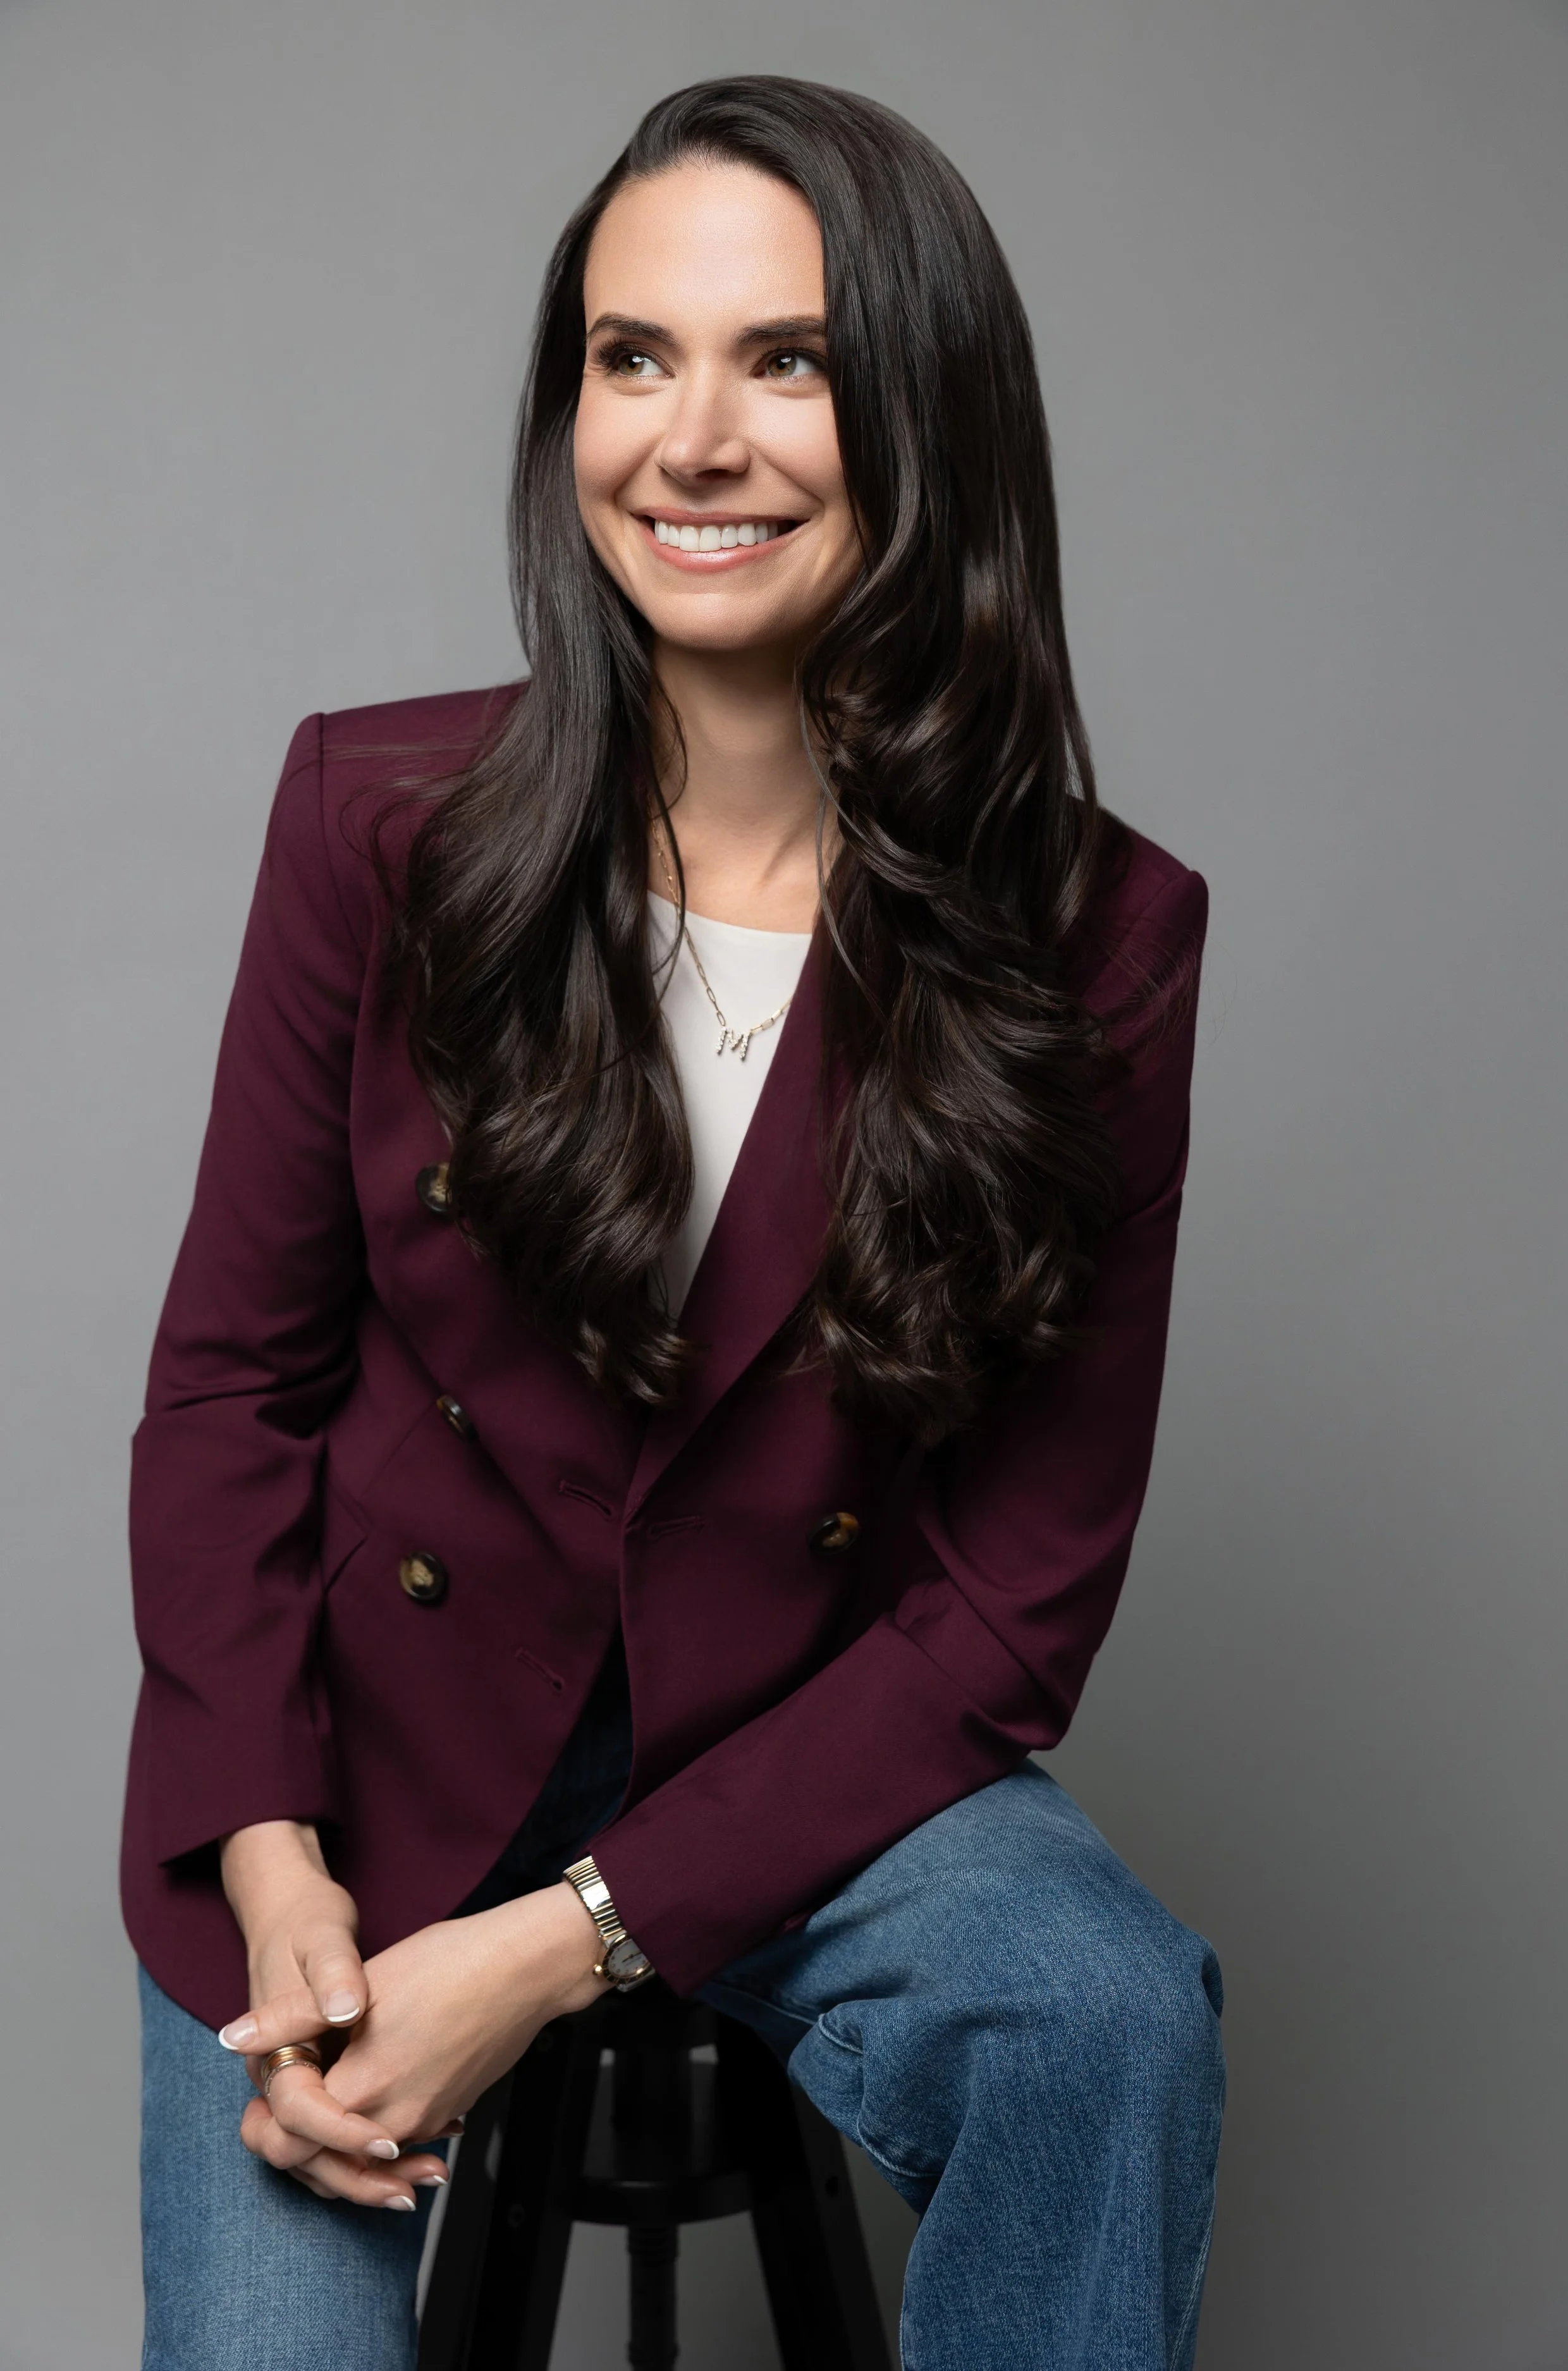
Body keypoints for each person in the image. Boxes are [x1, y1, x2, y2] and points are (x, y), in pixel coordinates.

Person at [126, 74, 1223, 2371]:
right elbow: (236, 1382)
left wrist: (559, 1946)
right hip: (372, 1756)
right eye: (632, 357)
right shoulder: (378, 818)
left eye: (785, 359)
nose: (689, 441)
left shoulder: (1096, 934)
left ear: (924, 408)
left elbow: (1007, 1614)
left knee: (1103, 2007)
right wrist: (266, 1848)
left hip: (801, 1772)